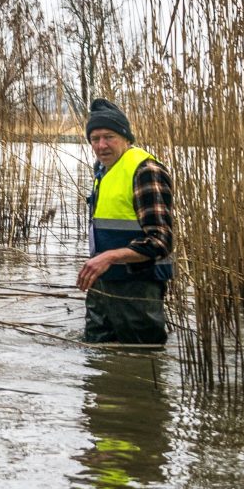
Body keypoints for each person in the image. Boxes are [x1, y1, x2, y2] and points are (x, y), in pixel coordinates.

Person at [76, 98, 173, 346]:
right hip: (102, 285)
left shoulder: (145, 171)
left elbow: (160, 242)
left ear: (126, 138)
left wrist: (108, 257)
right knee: (99, 365)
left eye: (109, 136)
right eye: (95, 139)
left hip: (137, 290)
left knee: (142, 361)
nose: (101, 145)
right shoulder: (103, 171)